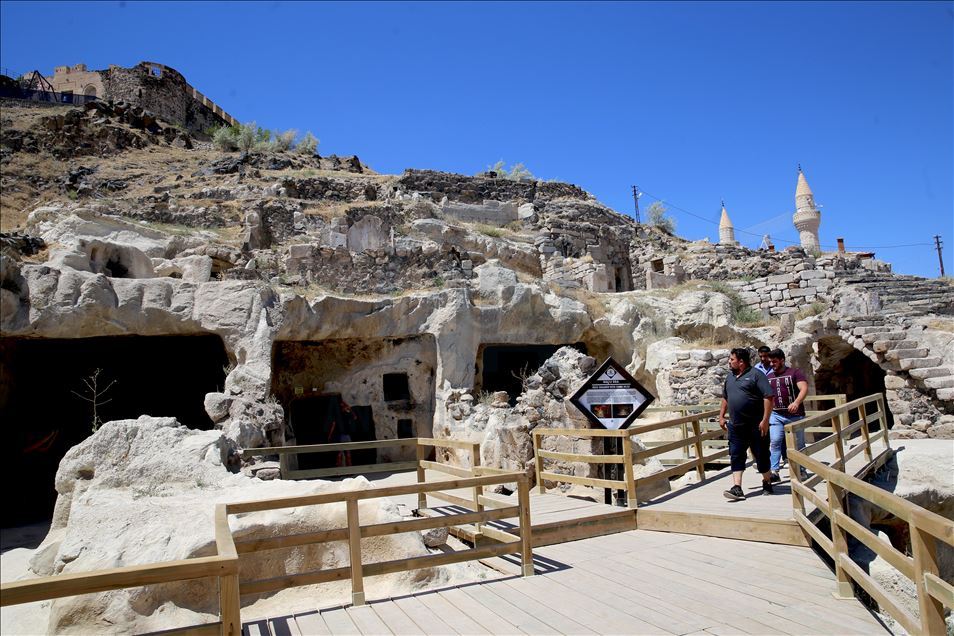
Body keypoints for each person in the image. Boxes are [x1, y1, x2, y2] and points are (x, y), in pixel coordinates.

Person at [719, 347, 775, 500]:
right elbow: (725, 397)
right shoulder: (730, 377)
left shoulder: (757, 375)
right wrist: (721, 416)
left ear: (741, 362)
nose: (729, 362)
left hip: (756, 426)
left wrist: (765, 420)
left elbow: (768, 397)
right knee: (736, 455)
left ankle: (767, 481)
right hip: (736, 426)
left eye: (732, 360)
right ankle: (737, 487)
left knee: (762, 456)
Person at [766, 348, 809, 482]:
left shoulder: (794, 373)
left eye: (774, 361)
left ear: (782, 360)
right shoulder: (769, 377)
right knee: (775, 441)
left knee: (799, 444)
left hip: (795, 415)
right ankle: (774, 471)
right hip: (776, 414)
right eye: (770, 362)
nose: (772, 364)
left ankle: (801, 470)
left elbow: (804, 388)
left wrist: (796, 402)